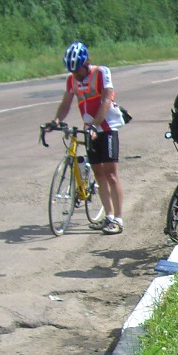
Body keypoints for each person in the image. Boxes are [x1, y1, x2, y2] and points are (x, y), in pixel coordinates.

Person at [54, 41, 126, 234]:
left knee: (111, 174)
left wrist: (95, 124)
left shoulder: (101, 72)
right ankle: (108, 216)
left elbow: (106, 100)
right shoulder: (72, 80)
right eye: (72, 71)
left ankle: (118, 219)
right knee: (98, 174)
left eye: (77, 70)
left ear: (85, 63)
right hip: (90, 129)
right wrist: (57, 120)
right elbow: (66, 104)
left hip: (106, 126)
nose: (75, 74)